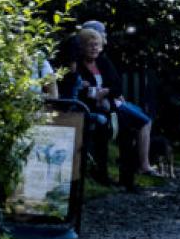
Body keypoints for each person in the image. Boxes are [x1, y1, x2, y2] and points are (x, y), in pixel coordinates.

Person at [59, 26, 158, 185]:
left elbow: (117, 86)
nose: (94, 48)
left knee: (128, 127)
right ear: (82, 47)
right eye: (90, 45)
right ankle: (102, 175)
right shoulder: (76, 65)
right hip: (89, 107)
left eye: (96, 45)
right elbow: (75, 90)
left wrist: (106, 92)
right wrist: (93, 93)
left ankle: (127, 179)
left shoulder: (103, 62)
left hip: (108, 104)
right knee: (104, 128)